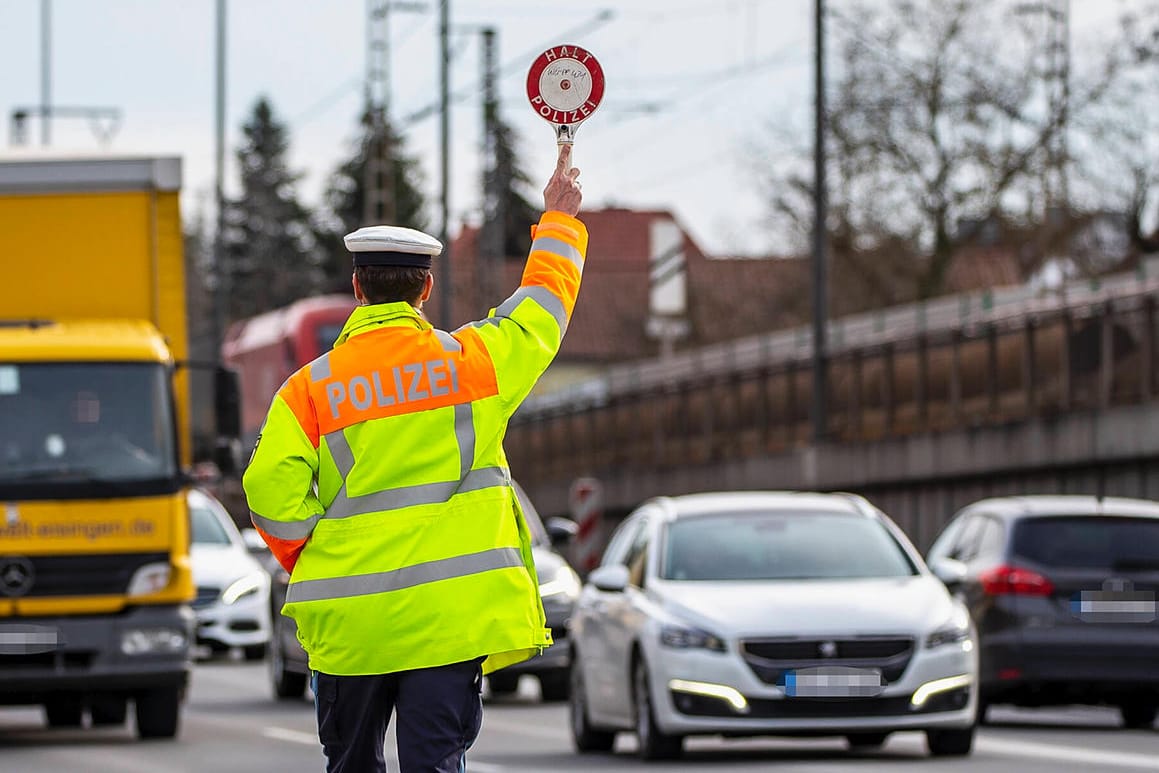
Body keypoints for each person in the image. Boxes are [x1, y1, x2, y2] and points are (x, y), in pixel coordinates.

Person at [243, 143, 585, 773]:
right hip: (447, 623)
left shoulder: (307, 390)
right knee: (434, 764)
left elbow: (267, 489)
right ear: (426, 287)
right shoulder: (475, 365)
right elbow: (543, 309)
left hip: (351, 626)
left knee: (350, 765)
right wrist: (559, 219)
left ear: (356, 286)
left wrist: (312, 552)